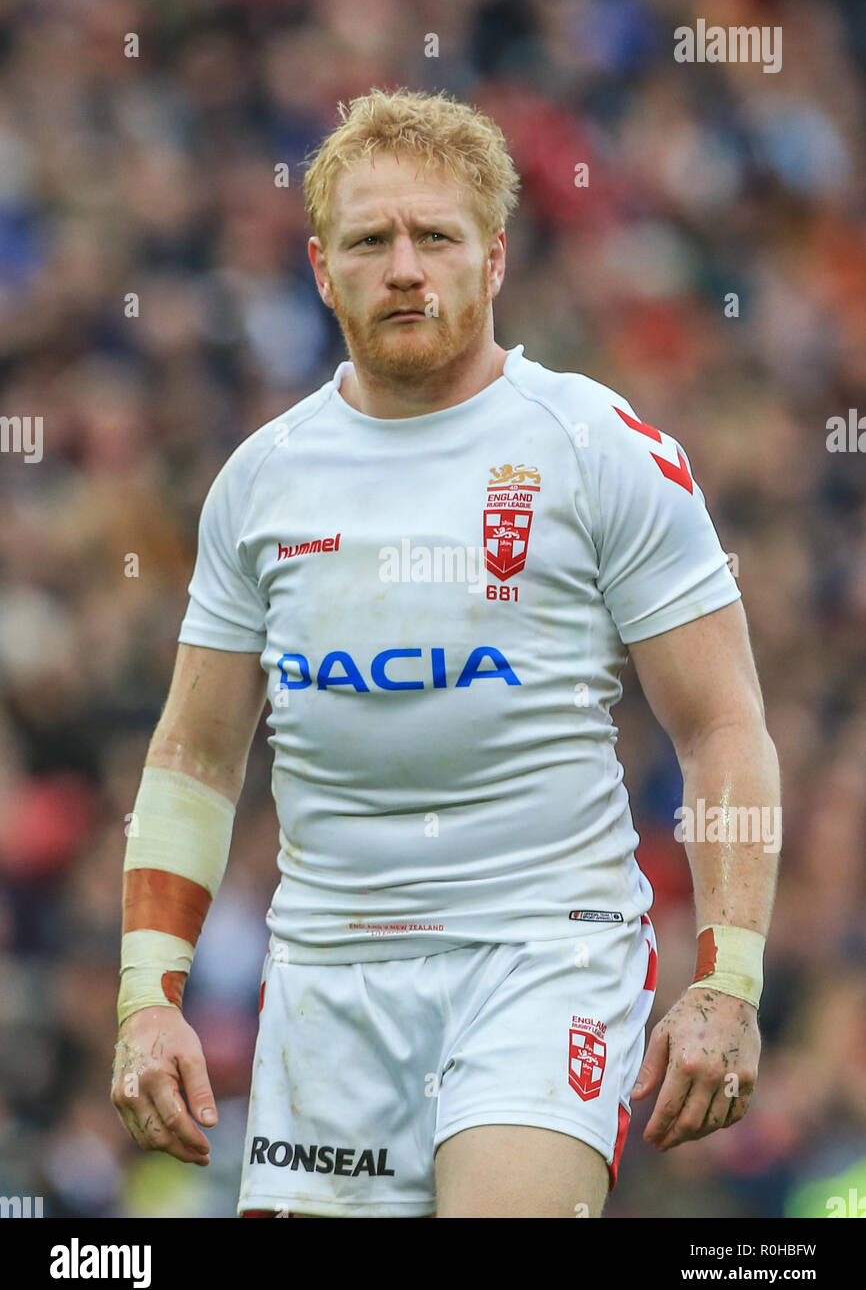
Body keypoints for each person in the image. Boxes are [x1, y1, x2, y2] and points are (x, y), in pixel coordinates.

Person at [111, 88, 781, 1219]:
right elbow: (194, 754)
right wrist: (144, 993)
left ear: (494, 259)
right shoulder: (263, 481)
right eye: (372, 241)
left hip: (542, 949)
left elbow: (721, 726)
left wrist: (727, 978)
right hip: (328, 978)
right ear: (322, 269)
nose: (406, 268)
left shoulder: (594, 449)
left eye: (437, 237)